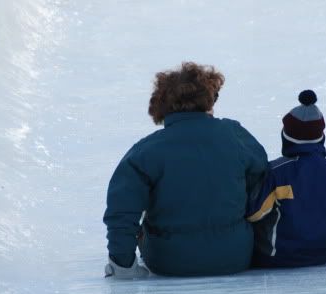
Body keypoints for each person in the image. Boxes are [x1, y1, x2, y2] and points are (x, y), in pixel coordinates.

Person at [103, 62, 268, 278]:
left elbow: (122, 211)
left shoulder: (146, 152)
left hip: (169, 261)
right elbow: (261, 179)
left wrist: (122, 263)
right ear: (208, 100)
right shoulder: (235, 135)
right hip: (234, 256)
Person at [247, 90, 326, 267]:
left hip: (277, 256)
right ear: (321, 137)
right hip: (322, 255)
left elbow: (253, 213)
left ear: (286, 137)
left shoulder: (276, 172)